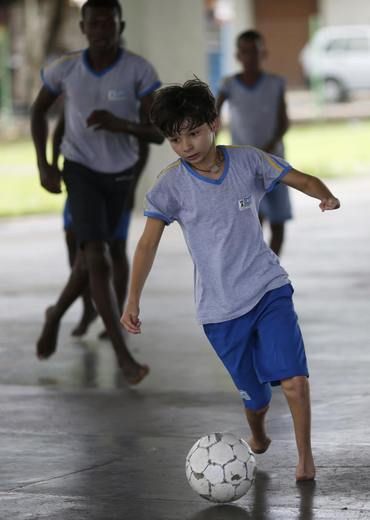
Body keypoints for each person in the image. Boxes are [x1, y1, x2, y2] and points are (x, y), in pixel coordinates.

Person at [121, 79, 340, 479]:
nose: (186, 145)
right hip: (220, 310)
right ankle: (257, 431)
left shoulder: (248, 161)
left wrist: (325, 195)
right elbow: (146, 246)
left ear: (213, 124)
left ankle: (305, 460)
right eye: (175, 139)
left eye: (193, 133)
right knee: (256, 397)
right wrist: (132, 299)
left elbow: (301, 179)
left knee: (293, 379)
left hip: (268, 287)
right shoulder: (171, 185)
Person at [30, 0, 164, 385]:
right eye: (95, 23)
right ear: (83, 26)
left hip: (119, 175)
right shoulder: (66, 68)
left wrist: (121, 124)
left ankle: (55, 314)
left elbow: (157, 132)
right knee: (96, 256)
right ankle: (124, 357)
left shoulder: (139, 70)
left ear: (120, 25)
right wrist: (44, 164)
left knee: (97, 259)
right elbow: (39, 112)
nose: (103, 29)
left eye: (110, 23)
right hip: (80, 169)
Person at [53, 114, 150, 338]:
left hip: (117, 184)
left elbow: (144, 142)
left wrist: (132, 185)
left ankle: (116, 317)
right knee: (76, 244)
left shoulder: (128, 94)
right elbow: (60, 129)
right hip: (82, 181)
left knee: (115, 248)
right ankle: (88, 308)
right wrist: (50, 163)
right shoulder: (75, 88)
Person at [216, 29, 291, 255]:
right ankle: (255, 267)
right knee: (251, 219)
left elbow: (283, 122)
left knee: (278, 221)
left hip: (273, 160)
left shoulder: (276, 83)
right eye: (245, 52)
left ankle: (272, 266)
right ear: (238, 56)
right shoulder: (229, 84)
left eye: (255, 52)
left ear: (263, 53)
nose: (250, 57)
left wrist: (268, 147)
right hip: (243, 165)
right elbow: (213, 118)